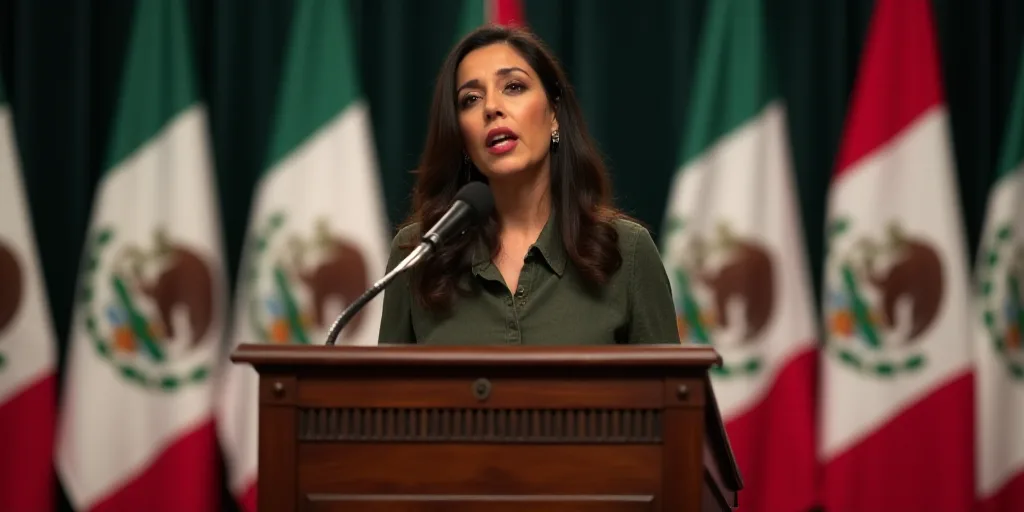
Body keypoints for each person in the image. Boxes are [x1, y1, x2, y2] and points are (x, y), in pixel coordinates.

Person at [377, 25, 678, 346]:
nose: (491, 107)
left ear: (554, 114)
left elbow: (671, 393)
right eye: (471, 99)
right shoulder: (419, 255)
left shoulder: (627, 252)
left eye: (514, 86)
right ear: (462, 138)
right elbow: (388, 395)